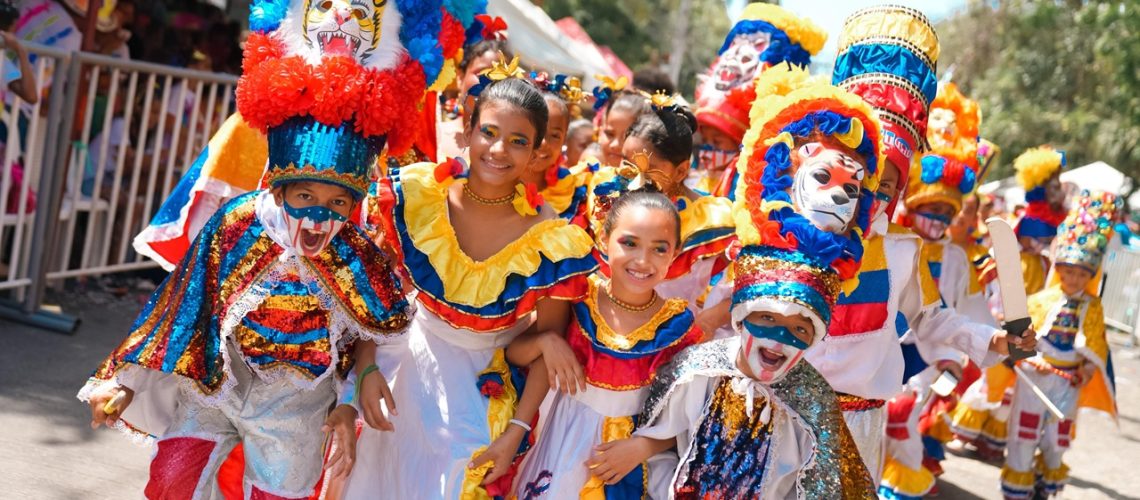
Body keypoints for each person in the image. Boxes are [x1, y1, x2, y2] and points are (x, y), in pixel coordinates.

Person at [76, 68, 414, 500]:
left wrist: (349, 401)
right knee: (172, 480)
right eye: (305, 197)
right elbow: (182, 306)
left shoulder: (354, 252)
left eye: (337, 203)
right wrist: (125, 382)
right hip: (217, 382)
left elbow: (380, 330)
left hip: (298, 401)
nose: (318, 216)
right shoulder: (237, 223)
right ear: (279, 191)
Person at [343, 77, 599, 499]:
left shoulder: (551, 237)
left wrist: (515, 431)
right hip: (399, 376)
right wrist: (367, 368)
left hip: (481, 397)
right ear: (468, 131)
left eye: (518, 141)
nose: (499, 150)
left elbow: (547, 345)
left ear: (537, 152)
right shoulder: (421, 196)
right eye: (489, 132)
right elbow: (377, 296)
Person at [633, 65, 882, 498]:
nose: (779, 338)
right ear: (742, 316)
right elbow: (657, 441)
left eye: (799, 328)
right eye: (766, 318)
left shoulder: (814, 403)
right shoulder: (697, 370)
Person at [511, 189, 702, 498]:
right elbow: (514, 354)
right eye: (630, 243)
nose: (643, 260)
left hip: (622, 463)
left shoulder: (677, 328)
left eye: (659, 249)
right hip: (557, 441)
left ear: (675, 253)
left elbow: (687, 415)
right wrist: (547, 341)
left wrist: (643, 447)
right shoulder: (578, 298)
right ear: (604, 238)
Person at [950, 146, 1069, 460]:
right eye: (1038, 237)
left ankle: (992, 439)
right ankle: (964, 431)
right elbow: (999, 294)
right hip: (1002, 316)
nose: (1041, 242)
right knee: (992, 378)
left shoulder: (1043, 263)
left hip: (1029, 320)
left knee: (1011, 385)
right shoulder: (1013, 256)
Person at [1000, 191, 1119, 499]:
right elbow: (1018, 339)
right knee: (1023, 435)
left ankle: (1043, 486)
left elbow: (1096, 346)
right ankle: (1016, 492)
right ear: (1059, 268)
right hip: (1034, 377)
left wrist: (1086, 372)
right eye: (1069, 271)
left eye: (1081, 274)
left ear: (1090, 275)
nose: (1074, 279)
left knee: (1057, 439)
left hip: (1068, 382)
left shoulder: (1093, 308)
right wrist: (1026, 358)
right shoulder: (1040, 301)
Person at [694, 2, 826, 200]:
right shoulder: (697, 175)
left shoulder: (756, 175)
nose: (708, 150)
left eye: (717, 142)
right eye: (706, 141)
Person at [520, 73, 593, 224]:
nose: (543, 143)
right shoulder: (493, 178)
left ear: (564, 139)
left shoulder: (573, 191)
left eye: (554, 135)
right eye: (537, 131)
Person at [0, 0, 36, 104]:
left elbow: (31, 96)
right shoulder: (3, 63)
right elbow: (31, 97)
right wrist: (21, 51)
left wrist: (21, 52)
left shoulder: (4, 64)